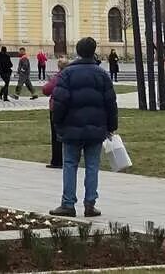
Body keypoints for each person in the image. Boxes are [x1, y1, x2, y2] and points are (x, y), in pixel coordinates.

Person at [49, 38, 117, 218]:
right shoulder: (102, 74)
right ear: (93, 51)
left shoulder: (67, 74)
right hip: (96, 128)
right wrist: (111, 126)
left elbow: (60, 101)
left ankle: (68, 203)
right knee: (92, 165)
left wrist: (58, 123)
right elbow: (111, 103)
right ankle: (90, 204)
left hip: (71, 128)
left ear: (78, 52)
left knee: (70, 164)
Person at [43, 58, 66, 168]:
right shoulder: (72, 76)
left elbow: (46, 90)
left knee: (56, 135)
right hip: (70, 109)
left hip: (57, 108)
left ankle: (57, 160)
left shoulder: (58, 77)